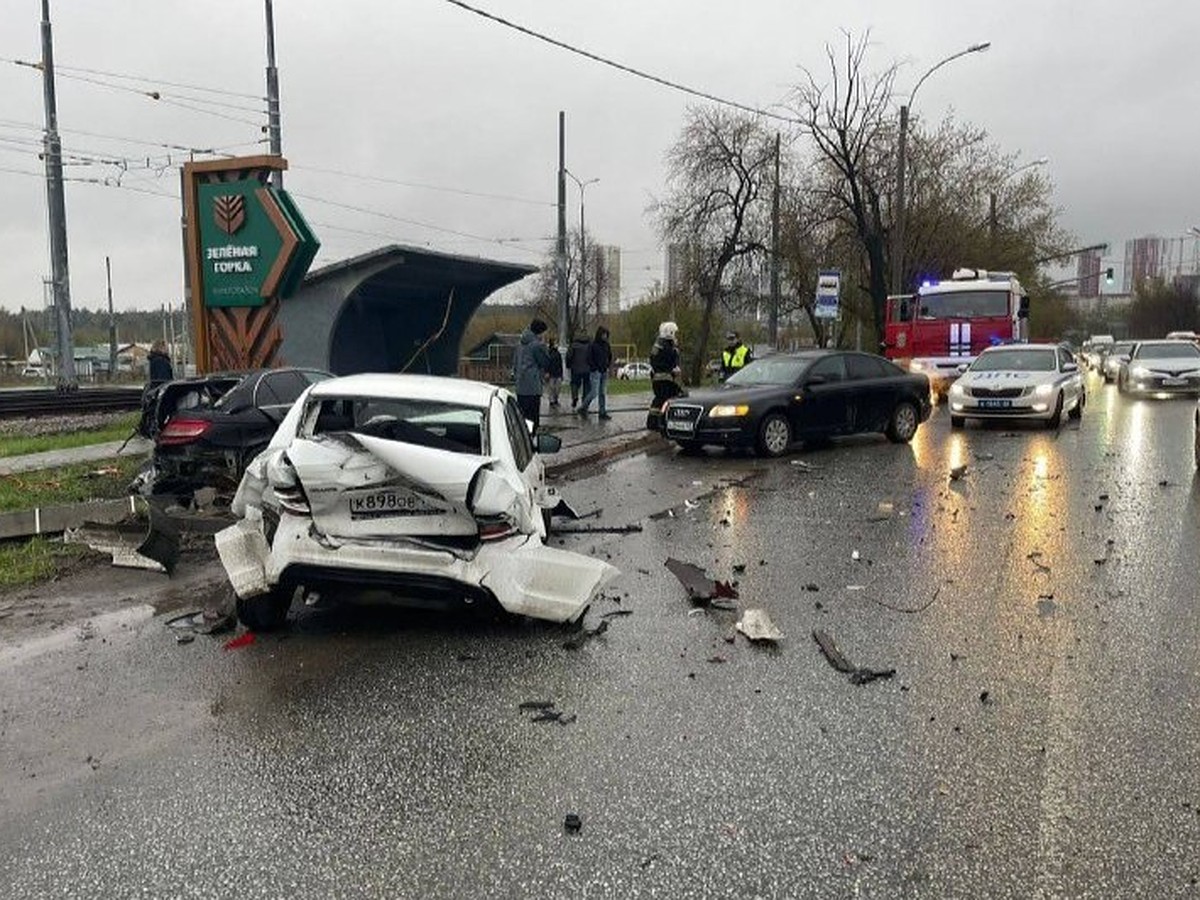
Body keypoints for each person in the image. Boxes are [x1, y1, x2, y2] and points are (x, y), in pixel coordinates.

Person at [512, 318, 552, 434]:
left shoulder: (520, 345)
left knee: (523, 416)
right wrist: (545, 346)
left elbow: (515, 364)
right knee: (533, 417)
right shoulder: (537, 345)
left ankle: (523, 436)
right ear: (540, 332)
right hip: (533, 386)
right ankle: (530, 439)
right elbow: (545, 362)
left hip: (520, 386)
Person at [647, 321, 685, 431]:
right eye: (675, 333)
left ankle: (655, 422)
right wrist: (674, 370)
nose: (676, 336)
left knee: (659, 400)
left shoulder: (658, 345)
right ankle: (661, 422)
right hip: (666, 379)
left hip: (657, 379)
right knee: (670, 398)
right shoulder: (669, 348)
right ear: (671, 332)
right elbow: (672, 364)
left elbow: (654, 362)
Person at [577, 325, 612, 420]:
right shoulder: (593, 345)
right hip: (595, 372)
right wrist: (594, 367)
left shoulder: (606, 345)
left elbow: (609, 356)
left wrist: (607, 365)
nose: (605, 337)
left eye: (606, 335)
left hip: (604, 371)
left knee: (603, 393)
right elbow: (589, 358)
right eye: (604, 334)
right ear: (600, 334)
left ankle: (602, 412)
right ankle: (583, 407)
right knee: (594, 392)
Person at [567, 333, 591, 407]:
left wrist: (568, 365)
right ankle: (585, 401)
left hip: (575, 368)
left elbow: (569, 356)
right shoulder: (589, 346)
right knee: (586, 385)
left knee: (574, 384)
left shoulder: (573, 345)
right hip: (587, 369)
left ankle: (575, 397)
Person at [544, 335, 564, 408]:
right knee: (551, 388)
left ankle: (556, 399)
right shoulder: (548, 352)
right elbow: (546, 363)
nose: (557, 344)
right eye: (555, 342)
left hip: (558, 373)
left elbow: (560, 364)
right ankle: (552, 401)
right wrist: (546, 372)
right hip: (551, 373)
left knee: (557, 388)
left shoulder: (558, 353)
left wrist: (561, 374)